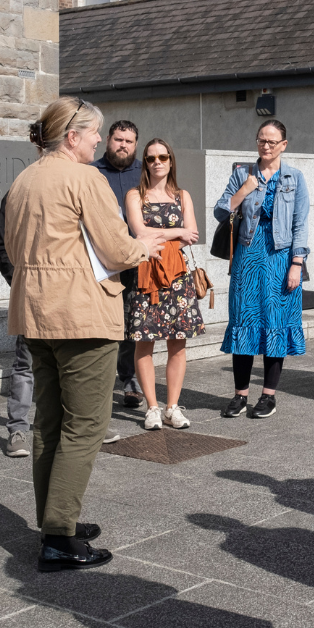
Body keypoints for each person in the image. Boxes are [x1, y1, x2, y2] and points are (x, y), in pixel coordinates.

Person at [5, 97, 162, 572]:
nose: (99, 139)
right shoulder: (84, 177)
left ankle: (57, 520)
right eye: (94, 132)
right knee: (86, 425)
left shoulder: (24, 179)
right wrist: (145, 244)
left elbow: (12, 248)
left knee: (49, 422)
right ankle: (58, 537)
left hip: (35, 312)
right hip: (81, 314)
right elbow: (115, 248)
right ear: (72, 137)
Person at [214, 120, 310, 420]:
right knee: (244, 321)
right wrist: (243, 190)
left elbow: (300, 224)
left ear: (283, 145)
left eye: (271, 141)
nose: (265, 146)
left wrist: (297, 264)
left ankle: (268, 395)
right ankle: (240, 395)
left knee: (275, 323)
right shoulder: (243, 174)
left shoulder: (295, 178)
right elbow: (220, 211)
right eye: (261, 140)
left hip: (281, 259)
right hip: (248, 256)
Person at [125, 139, 205, 430]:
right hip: (147, 275)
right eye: (150, 158)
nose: (157, 162)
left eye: (162, 156)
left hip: (177, 276)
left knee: (177, 343)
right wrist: (177, 231)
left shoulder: (183, 195)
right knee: (144, 342)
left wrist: (169, 234)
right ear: (144, 163)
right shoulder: (135, 196)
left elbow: (192, 235)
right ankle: (152, 408)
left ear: (171, 160)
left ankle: (172, 406)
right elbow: (141, 232)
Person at [92, 120, 144, 409]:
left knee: (132, 322)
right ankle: (98, 381)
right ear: (107, 140)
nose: (123, 145)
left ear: (136, 145)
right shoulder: (91, 173)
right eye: (118, 139)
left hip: (137, 261)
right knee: (105, 324)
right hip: (101, 263)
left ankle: (129, 379)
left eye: (129, 141)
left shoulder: (145, 173)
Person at [0, 193, 34, 458]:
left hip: (70, 296)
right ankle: (17, 430)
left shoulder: (77, 184)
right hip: (31, 293)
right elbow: (2, 244)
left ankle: (80, 426)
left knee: (69, 364)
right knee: (25, 363)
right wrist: (19, 282)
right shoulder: (19, 191)